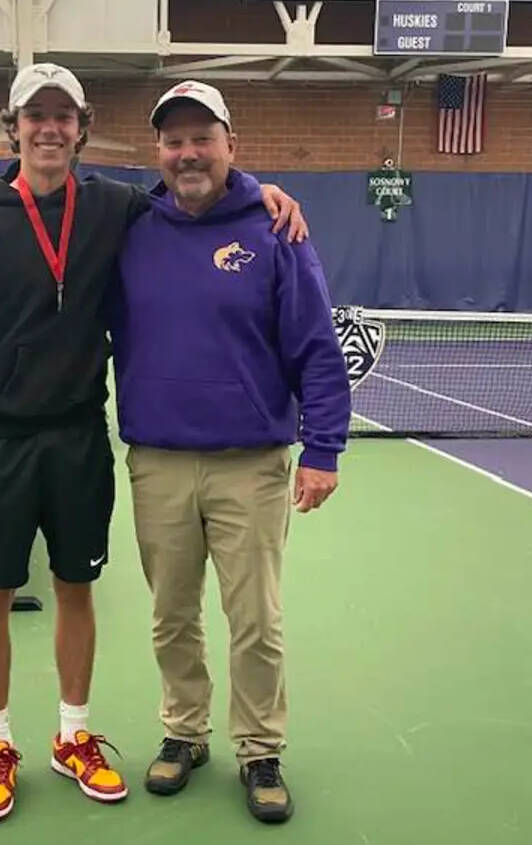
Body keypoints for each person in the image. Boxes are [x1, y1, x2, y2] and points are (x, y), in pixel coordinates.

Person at [0, 63, 309, 822]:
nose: (48, 128)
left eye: (63, 116)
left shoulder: (116, 208)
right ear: (13, 128)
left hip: (80, 438)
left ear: (82, 126)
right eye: (34, 116)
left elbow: (200, 184)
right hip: (0, 445)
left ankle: (74, 736)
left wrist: (266, 191)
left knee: (78, 586)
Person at [108, 81, 351, 824]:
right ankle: (184, 731)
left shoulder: (278, 230)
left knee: (257, 620)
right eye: (174, 140)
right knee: (172, 615)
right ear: (158, 151)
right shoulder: (129, 226)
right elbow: (47, 203)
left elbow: (316, 346)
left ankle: (259, 747)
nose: (188, 153)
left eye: (202, 138)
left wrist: (325, 447)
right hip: (158, 460)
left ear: (230, 146)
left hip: (252, 463)